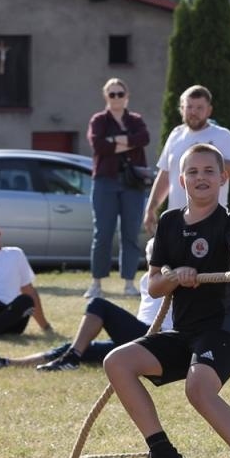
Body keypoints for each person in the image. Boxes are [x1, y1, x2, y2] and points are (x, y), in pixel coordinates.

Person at [104, 144, 230, 458]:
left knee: (198, 388)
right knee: (117, 362)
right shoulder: (170, 223)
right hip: (185, 332)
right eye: (192, 172)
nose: (200, 177)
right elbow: (155, 286)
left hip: (225, 327)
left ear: (222, 177)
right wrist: (173, 277)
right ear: (181, 180)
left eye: (208, 171)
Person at [143, 84, 230, 246]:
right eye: (189, 106)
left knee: (208, 269)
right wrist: (151, 208)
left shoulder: (222, 136)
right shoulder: (176, 134)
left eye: (199, 107)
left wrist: (211, 159)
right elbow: (165, 175)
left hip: (211, 218)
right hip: (177, 218)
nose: (193, 112)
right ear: (181, 109)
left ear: (209, 110)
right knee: (176, 270)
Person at [0, 288, 171, 370]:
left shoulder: (178, 276)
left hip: (159, 340)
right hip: (139, 340)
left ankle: (72, 357)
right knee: (75, 346)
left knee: (98, 305)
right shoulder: (148, 280)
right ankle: (4, 363)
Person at [86, 78, 151, 300]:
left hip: (133, 183)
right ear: (106, 97)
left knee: (130, 233)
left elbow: (144, 138)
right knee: (102, 233)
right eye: (112, 94)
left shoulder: (135, 119)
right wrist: (127, 142)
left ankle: (129, 283)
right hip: (105, 181)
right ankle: (96, 283)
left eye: (120, 94)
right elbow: (99, 145)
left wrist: (115, 140)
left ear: (127, 96)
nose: (116, 98)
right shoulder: (99, 120)